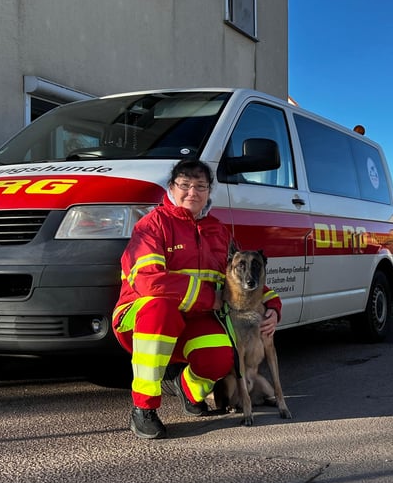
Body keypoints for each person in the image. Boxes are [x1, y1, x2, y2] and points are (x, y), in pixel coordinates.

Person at [112, 159, 282, 439]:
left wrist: (273, 307)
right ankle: (144, 408)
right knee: (159, 308)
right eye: (185, 185)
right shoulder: (152, 225)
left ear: (209, 191)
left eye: (201, 186)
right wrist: (207, 298)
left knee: (219, 357)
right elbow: (148, 281)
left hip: (195, 320)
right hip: (144, 321)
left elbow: (241, 278)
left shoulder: (218, 230)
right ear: (171, 188)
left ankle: (188, 389)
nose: (193, 192)